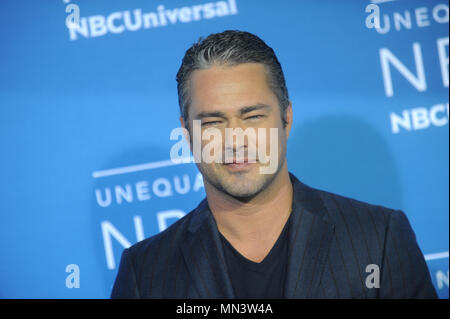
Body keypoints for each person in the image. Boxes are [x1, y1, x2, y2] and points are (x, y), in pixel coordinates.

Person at [111, 30, 437, 299]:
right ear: (187, 134)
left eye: (252, 117)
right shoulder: (146, 272)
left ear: (286, 118)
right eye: (212, 122)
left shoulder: (377, 238)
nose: (235, 139)